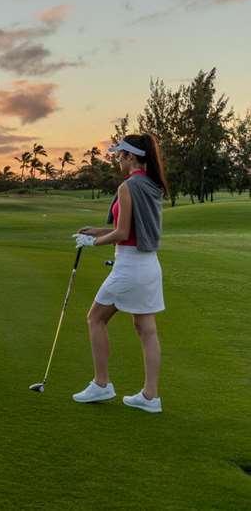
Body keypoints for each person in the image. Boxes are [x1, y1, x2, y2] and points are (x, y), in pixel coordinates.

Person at [71, 134, 168, 413]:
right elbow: (129, 227)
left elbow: (123, 233)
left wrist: (93, 243)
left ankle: (102, 384)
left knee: (95, 318)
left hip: (129, 266)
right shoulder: (152, 185)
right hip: (149, 265)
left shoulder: (128, 187)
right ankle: (150, 397)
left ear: (130, 157)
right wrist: (96, 230)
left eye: (120, 155)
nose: (117, 160)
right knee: (146, 329)